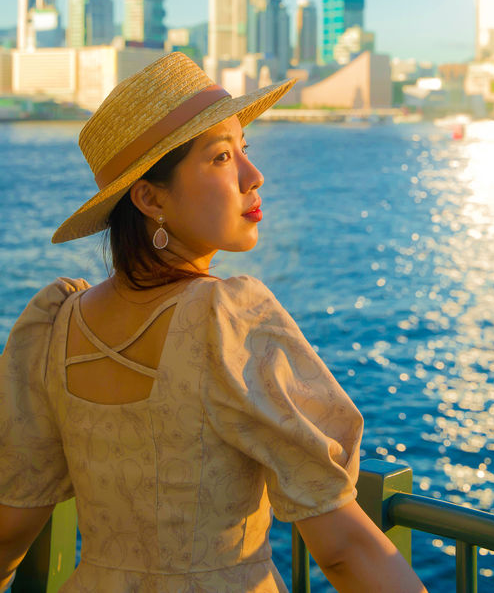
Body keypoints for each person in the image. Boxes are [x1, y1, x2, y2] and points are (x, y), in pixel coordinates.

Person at [0, 52, 426, 593]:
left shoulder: (55, 327)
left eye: (244, 149)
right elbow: (342, 549)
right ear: (150, 198)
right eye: (222, 157)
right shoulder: (227, 320)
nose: (254, 175)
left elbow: (9, 529)